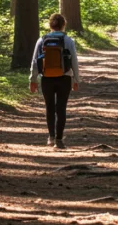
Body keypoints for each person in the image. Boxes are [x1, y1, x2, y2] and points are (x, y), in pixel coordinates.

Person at [29, 13, 81, 149]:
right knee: (61, 108)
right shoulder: (68, 40)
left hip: (46, 78)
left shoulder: (41, 40)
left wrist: (33, 79)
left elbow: (35, 61)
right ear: (64, 25)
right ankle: (59, 140)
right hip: (65, 77)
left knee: (50, 107)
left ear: (50, 25)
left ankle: (51, 137)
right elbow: (74, 61)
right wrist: (76, 79)